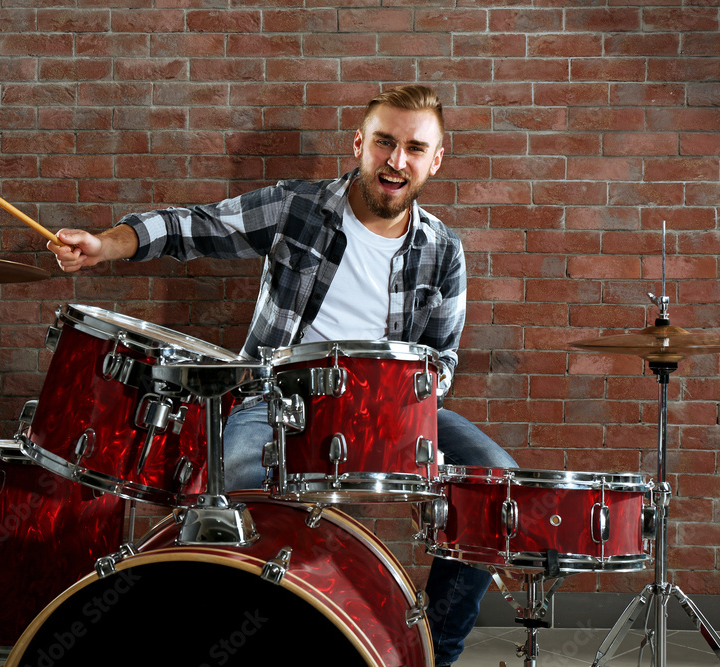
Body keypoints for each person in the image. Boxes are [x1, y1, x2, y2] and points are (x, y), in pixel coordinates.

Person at [47, 84, 517, 666]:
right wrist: (105, 244)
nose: (397, 161)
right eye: (385, 142)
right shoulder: (297, 208)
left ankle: (435, 655)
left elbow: (441, 360)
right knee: (239, 490)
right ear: (359, 144)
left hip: (392, 407)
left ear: (435, 160)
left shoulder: (443, 249)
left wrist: (412, 431)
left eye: (415, 148)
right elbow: (195, 226)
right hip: (274, 398)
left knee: (495, 483)